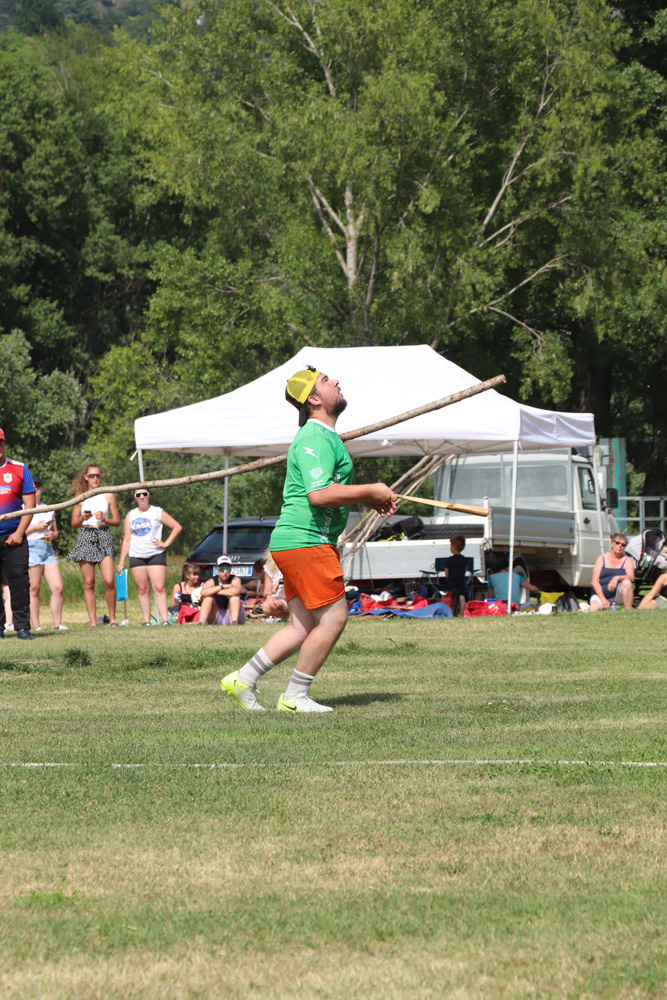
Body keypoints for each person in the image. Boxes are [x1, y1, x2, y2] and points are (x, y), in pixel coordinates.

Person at [220, 366, 397, 713]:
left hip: (298, 541)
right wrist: (371, 490)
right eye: (326, 381)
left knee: (302, 626)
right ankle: (295, 697)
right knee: (334, 619)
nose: (336, 381)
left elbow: (329, 491)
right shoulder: (315, 438)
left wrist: (369, 497)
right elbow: (319, 494)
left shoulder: (324, 436)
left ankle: (242, 679)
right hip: (307, 541)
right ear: (314, 399)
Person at [116, 487, 182, 626]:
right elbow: (127, 540)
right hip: (136, 555)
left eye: (144, 494)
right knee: (142, 589)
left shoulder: (157, 511)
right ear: (135, 498)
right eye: (138, 495)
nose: (142, 497)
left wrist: (166, 543)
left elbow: (177, 527)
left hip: (155, 554)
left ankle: (165, 620)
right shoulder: (131, 515)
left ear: (149, 495)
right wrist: (122, 561)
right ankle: (147, 621)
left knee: (159, 587)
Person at [68, 464, 121, 627]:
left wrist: (105, 519)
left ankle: (113, 619)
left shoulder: (108, 495)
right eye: (92, 476)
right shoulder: (80, 497)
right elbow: (74, 524)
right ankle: (93, 622)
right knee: (89, 582)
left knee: (109, 580)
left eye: (98, 475)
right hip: (86, 534)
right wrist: (83, 518)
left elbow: (117, 521)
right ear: (86, 477)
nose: (95, 479)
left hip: (103, 534)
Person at [0, 428, 37, 640]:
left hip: (15, 538)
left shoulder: (19, 469)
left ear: (4, 444)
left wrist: (19, 533)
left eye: (0, 443)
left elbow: (30, 506)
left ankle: (22, 628)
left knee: (20, 583)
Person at [25, 476, 66, 631]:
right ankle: (36, 626)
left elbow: (55, 532)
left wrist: (52, 535)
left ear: (41, 489)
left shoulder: (48, 508)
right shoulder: (23, 508)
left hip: (48, 548)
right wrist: (35, 528)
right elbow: (19, 533)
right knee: (34, 589)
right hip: (32, 547)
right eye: (33, 486)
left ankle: (57, 624)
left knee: (58, 587)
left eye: (38, 486)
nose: (36, 489)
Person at [590, 533, 634, 611]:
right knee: (594, 608)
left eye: (623, 545)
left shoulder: (627, 560)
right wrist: (603, 599)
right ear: (612, 543)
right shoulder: (602, 558)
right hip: (601, 594)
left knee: (627, 583)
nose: (620, 546)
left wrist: (617, 578)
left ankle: (628, 611)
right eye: (617, 543)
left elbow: (631, 577)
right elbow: (594, 581)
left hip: (617, 594)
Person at [199, 554, 247, 626]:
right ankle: (201, 622)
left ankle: (234, 622)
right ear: (217, 570)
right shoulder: (211, 581)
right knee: (208, 598)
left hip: (231, 614)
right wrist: (222, 586)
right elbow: (203, 593)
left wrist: (214, 591)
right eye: (222, 569)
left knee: (235, 597)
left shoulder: (235, 579)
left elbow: (236, 591)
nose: (225, 572)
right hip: (217, 615)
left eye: (228, 569)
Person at [442, 534, 469, 615]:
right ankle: (462, 613)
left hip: (452, 581)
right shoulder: (464, 559)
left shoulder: (450, 559)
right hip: (461, 580)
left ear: (453, 548)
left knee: (451, 596)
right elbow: (465, 569)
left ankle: (451, 612)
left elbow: (447, 571)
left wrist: (447, 578)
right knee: (462, 597)